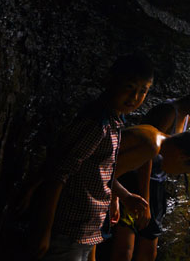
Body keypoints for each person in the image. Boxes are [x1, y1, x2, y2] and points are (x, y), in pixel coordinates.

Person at [25, 54, 154, 261]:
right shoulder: (97, 123)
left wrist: (123, 195)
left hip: (85, 232)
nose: (135, 97)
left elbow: (99, 171)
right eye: (129, 87)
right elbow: (59, 174)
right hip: (67, 231)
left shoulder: (115, 121)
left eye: (143, 91)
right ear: (111, 81)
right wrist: (44, 230)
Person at [110, 77, 190, 261]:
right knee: (125, 248)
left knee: (149, 249)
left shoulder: (186, 116)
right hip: (137, 182)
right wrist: (143, 199)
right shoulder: (168, 112)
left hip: (156, 184)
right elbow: (146, 157)